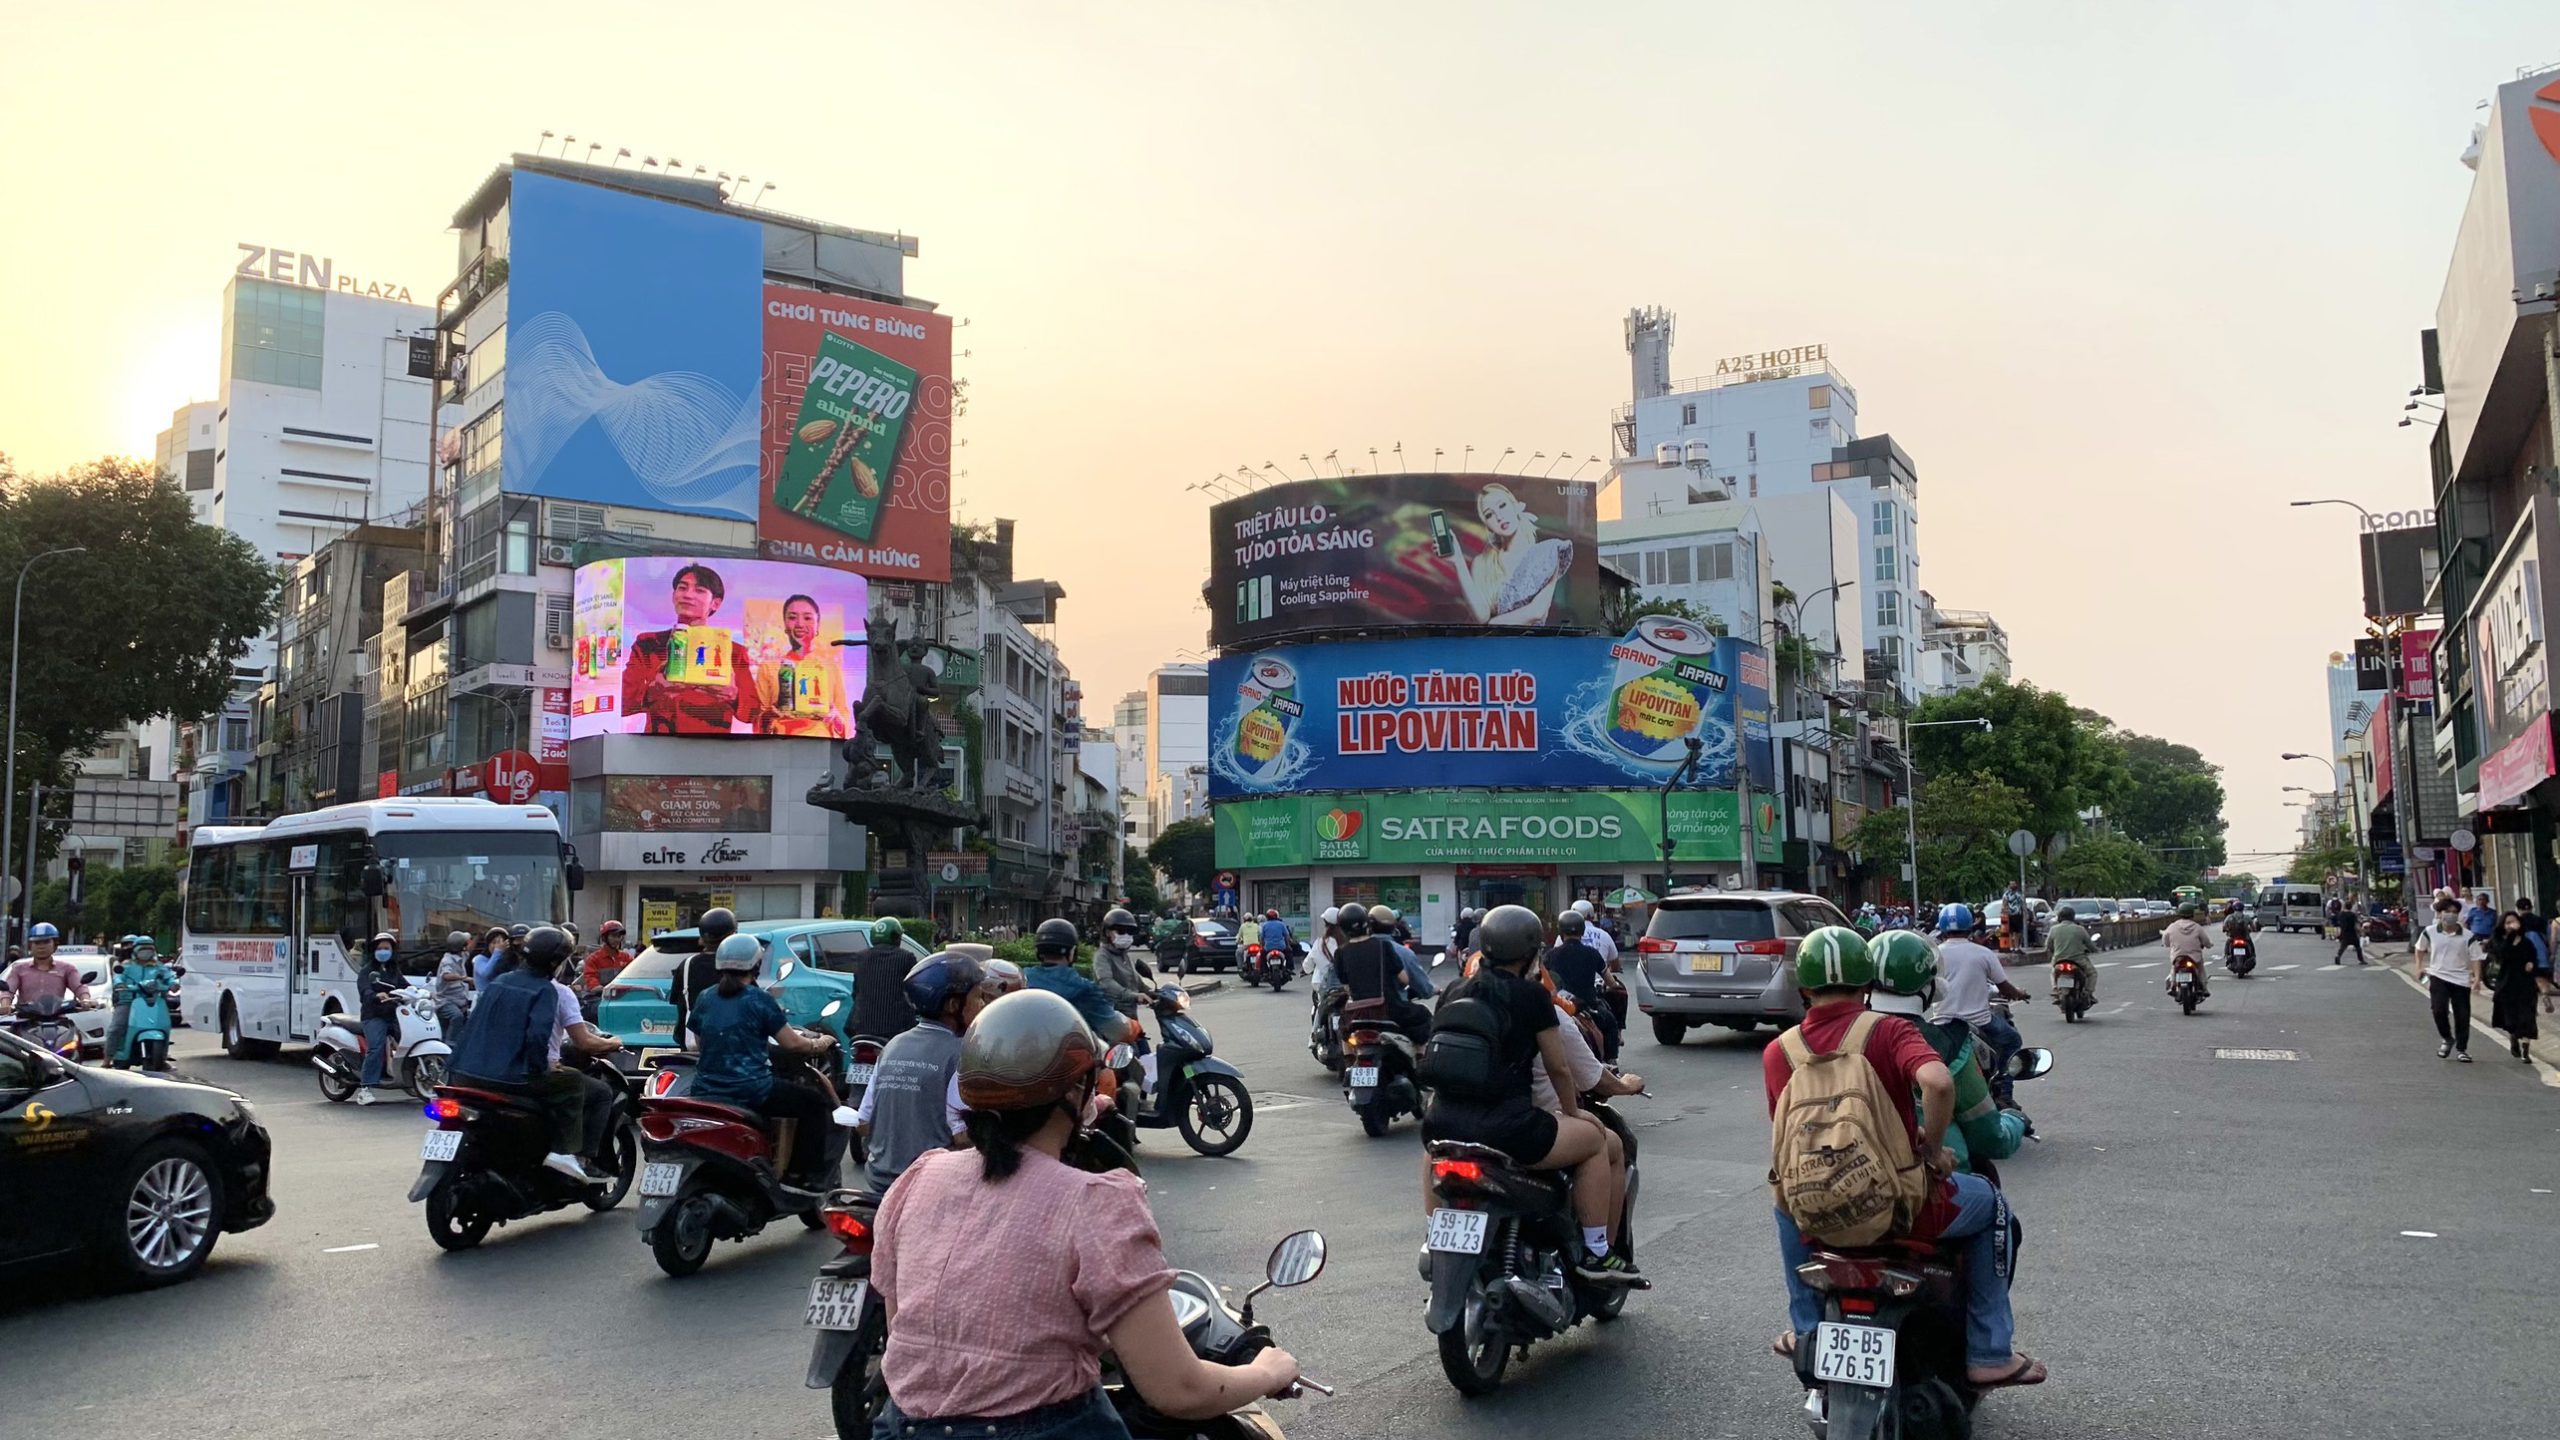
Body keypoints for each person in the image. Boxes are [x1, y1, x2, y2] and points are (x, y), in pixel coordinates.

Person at [870, 989, 1298, 1436]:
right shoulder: (1094, 1202)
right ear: (1076, 1092)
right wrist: (1267, 1371)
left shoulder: (920, 1178)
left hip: (901, 1427)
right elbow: (1179, 1389)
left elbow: (909, 1332)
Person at [1765, 926, 2043, 1388]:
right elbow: (1938, 1083)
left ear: (1803, 989)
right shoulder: (1889, 1032)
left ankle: (1806, 1330)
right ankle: (1990, 1352)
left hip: (1818, 1210)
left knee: (1783, 1202)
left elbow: (1786, 1135)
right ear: (1866, 984)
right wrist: (1931, 1151)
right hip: (1902, 1206)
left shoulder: (1780, 1050)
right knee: (1992, 1204)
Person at [1424, 906, 1637, 1283]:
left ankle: (1432, 1239)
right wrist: (1574, 1113)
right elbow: (1558, 1067)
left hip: (1442, 1122)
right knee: (1596, 1141)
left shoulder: (1455, 990)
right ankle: (1596, 1252)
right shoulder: (1532, 996)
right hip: (1510, 1130)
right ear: (1531, 953)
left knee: (1433, 1155)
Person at [450, 925, 615, 1182]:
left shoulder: (499, 982)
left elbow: (471, 1027)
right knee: (574, 1081)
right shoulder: (545, 990)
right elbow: (538, 1036)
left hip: (463, 1074)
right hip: (511, 1080)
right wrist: (541, 1068)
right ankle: (566, 1152)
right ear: (555, 962)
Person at [690, 931, 841, 1190]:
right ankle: (802, 1178)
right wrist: (821, 1043)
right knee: (814, 1104)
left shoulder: (705, 997)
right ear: (756, 966)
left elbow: (701, 1042)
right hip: (751, 1091)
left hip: (705, 1090)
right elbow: (793, 1044)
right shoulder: (759, 999)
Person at [1868, 931, 2024, 1172]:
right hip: (1934, 1175)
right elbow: (1990, 1138)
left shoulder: (1839, 1037)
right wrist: (2015, 1121)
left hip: (1855, 1172)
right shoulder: (1951, 1046)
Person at [857, 950, 986, 1195]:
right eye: (978, 997)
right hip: (929, 1187)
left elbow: (863, 1123)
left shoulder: (893, 1046)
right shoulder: (962, 1053)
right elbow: (962, 1138)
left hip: (879, 1183)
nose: (983, 1005)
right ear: (953, 1005)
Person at [618, 562, 762, 734]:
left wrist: (734, 696)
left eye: (699, 590)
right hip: (659, 744)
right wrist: (653, 691)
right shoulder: (648, 644)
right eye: (682, 588)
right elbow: (622, 702)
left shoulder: (733, 652)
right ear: (673, 596)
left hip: (713, 746)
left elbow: (753, 712)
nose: (688, 595)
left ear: (715, 604)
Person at [1931, 905, 2030, 1106]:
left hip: (1942, 1024)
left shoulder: (1934, 955)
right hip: (1980, 1022)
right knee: (2013, 1041)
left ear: (1942, 927)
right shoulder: (1983, 953)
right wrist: (2019, 994)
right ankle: (2004, 1091)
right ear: (1970, 925)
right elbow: (2005, 988)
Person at [1451, 481, 1576, 627]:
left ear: (1515, 505)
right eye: (1489, 514)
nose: (1499, 516)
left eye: (1502, 505)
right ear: (1487, 525)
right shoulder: (1482, 563)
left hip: (1529, 640)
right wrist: (1458, 561)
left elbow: (1537, 611)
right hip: (1490, 640)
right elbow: (1482, 617)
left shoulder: (1547, 553)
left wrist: (1494, 623)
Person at [1022, 917, 1134, 1044]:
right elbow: (1117, 1030)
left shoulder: (1022, 979)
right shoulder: (1084, 990)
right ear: (1072, 952)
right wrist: (1135, 1028)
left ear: (1038, 951)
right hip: (1070, 1052)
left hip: (1021, 1050)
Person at [758, 593, 854, 738]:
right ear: (785, 625)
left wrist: (834, 717)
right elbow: (758, 723)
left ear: (817, 625)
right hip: (781, 743)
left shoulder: (830, 667)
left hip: (820, 743)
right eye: (792, 618)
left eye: (807, 618)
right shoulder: (769, 667)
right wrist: (771, 714)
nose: (800, 624)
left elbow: (845, 724)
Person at [1333, 905, 1431, 1040]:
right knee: (1423, 1015)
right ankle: (1420, 1052)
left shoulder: (1340, 953)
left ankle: (1349, 1053)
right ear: (1366, 923)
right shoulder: (1383, 946)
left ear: (1342, 928)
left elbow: (1347, 986)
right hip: (1390, 1010)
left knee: (1343, 1032)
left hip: (1357, 1014)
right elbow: (1404, 979)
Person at [1544, 910, 1619, 1061]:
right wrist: (1614, 985)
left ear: (1561, 932)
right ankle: (1611, 1061)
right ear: (1582, 931)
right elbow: (1611, 982)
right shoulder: (1592, 953)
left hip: (1560, 1007)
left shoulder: (1550, 955)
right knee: (1611, 1023)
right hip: (1588, 1006)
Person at [2420, 896, 2484, 1062]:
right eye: (2447, 911)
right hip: (2438, 976)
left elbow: (2475, 957)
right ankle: (2447, 1038)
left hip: (2461, 978)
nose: (2451, 915)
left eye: (2454, 912)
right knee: (2438, 1010)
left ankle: (2462, 1049)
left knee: (2462, 1015)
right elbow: (2420, 948)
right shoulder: (2430, 931)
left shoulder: (2468, 935)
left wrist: (2477, 978)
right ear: (2440, 913)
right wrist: (2419, 967)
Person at [670, 906, 739, 1049]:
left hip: (691, 1047)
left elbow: (679, 1004)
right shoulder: (738, 965)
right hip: (730, 1047)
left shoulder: (687, 965)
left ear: (702, 937)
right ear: (732, 935)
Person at [353, 932, 407, 1106]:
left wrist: (421, 992)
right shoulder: (367, 971)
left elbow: (405, 986)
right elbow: (364, 990)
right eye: (380, 948)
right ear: (374, 950)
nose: (383, 951)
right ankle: (365, 1088)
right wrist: (376, 995)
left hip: (393, 1014)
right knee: (376, 1047)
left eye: (387, 948)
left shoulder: (393, 970)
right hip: (374, 1015)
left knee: (409, 1041)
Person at [848, 917, 922, 1041]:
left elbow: (856, 992)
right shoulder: (906, 957)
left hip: (862, 1027)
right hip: (896, 1028)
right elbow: (915, 990)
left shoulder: (861, 957)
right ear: (896, 937)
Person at [1090, 908, 1152, 1051]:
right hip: (1115, 1022)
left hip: (1131, 1021)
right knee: (1135, 1057)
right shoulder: (1102, 956)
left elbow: (1137, 981)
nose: (1126, 936)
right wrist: (1134, 996)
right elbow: (1105, 983)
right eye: (1121, 931)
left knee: (1147, 1056)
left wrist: (1155, 993)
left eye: (1129, 932)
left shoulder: (1125, 956)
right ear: (1107, 932)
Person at [115, 938, 180, 1072]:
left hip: (155, 1000)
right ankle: (113, 1056)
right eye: (142, 949)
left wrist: (174, 983)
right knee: (117, 1027)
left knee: (164, 1024)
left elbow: (169, 976)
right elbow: (119, 977)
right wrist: (120, 984)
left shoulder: (158, 967)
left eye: (149, 949)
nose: (145, 953)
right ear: (135, 951)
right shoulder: (128, 966)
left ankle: (162, 1057)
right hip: (132, 1000)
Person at [2488, 907, 2543, 1063]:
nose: (2511, 925)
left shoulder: (2527, 942)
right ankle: (2514, 1037)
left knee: (2527, 1018)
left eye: (2514, 922)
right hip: (2506, 985)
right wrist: (2511, 936)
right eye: (2508, 923)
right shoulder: (2498, 941)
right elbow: (2503, 955)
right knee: (2511, 1019)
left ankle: (2526, 1050)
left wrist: (2531, 964)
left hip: (2525, 985)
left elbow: (2534, 958)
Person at [0, 922, 90, 1015]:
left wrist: (85, 1000)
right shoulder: (18, 969)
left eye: (46, 942)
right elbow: (8, 991)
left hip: (58, 1019)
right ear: (30, 945)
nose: (41, 947)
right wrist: (5, 1006)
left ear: (55, 945)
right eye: (37, 943)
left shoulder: (67, 968)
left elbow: (79, 987)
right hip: (26, 1019)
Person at [1371, 905, 1437, 999]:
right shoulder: (1403, 952)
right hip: (1395, 1004)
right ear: (1393, 926)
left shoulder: (1355, 950)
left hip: (1359, 1006)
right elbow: (1423, 987)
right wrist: (1435, 990)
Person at [2047, 905, 2095, 1003]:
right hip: (2078, 960)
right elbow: (2090, 945)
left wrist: (2055, 952)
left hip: (2059, 959)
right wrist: (2094, 949)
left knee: (2053, 972)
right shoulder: (2080, 929)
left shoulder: (2053, 929)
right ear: (2073, 917)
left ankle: (2055, 989)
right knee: (2092, 973)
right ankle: (2088, 993)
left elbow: (2048, 946)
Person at [433, 930, 474, 1039]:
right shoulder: (447, 961)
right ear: (462, 947)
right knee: (457, 1017)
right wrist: (464, 978)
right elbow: (446, 976)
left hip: (460, 1001)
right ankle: (451, 1044)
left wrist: (478, 936)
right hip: (446, 1002)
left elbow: (470, 949)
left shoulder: (461, 956)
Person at [580, 920, 632, 997]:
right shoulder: (593, 959)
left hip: (623, 996)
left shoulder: (626, 957)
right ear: (604, 937)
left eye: (619, 936)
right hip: (600, 997)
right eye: (613, 936)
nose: (617, 939)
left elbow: (634, 974)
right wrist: (597, 987)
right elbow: (591, 978)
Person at [2327, 894, 2368, 965]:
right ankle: (2361, 960)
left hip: (2344, 932)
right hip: (2352, 933)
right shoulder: (2352, 915)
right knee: (2358, 947)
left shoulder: (2341, 914)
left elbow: (2339, 923)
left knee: (2343, 947)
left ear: (2344, 906)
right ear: (2351, 907)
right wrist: (2361, 931)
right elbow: (2356, 925)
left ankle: (2338, 956)